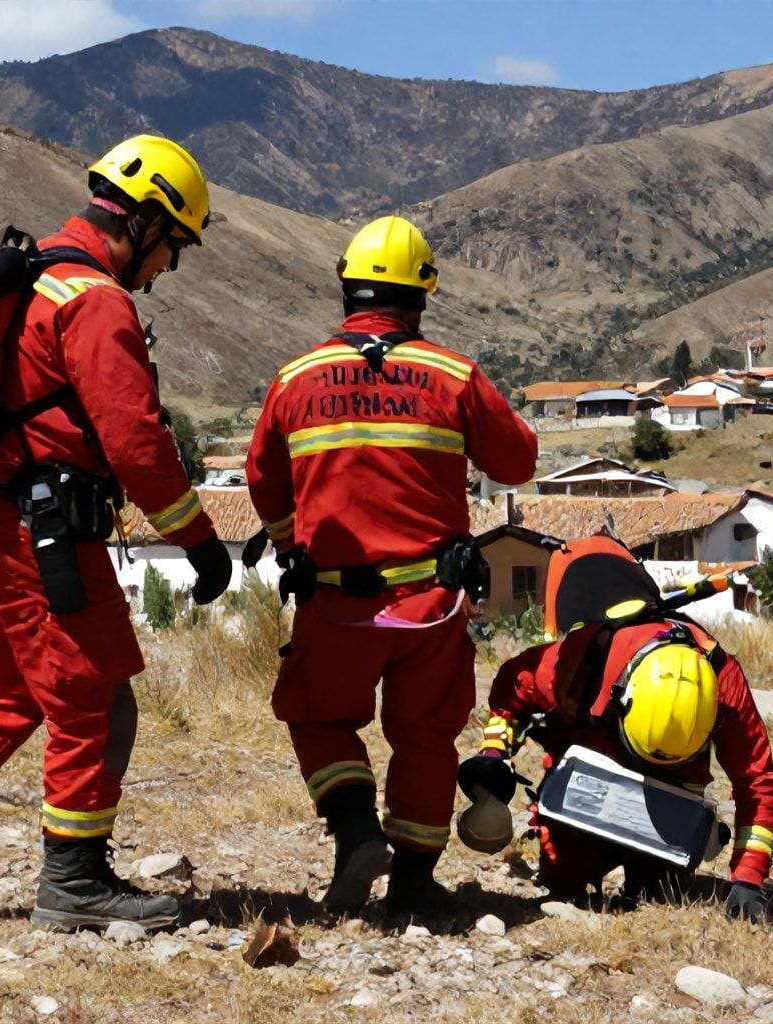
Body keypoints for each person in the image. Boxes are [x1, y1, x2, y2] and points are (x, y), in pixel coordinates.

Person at [0, 135, 232, 932]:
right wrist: (198, 540)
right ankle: (76, 880)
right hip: (42, 528)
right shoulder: (92, 299)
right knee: (92, 689)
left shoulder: (29, 282)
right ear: (147, 222)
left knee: (10, 684)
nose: (170, 268)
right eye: (175, 247)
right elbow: (137, 443)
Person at [246, 215, 538, 917]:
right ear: (422, 293)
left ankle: (354, 833)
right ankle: (412, 885)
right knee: (426, 738)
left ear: (347, 288)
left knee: (316, 718)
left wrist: (291, 547)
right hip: (430, 604)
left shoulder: (296, 377)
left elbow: (263, 480)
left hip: (336, 602)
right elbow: (517, 462)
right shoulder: (453, 374)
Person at [458, 535, 773, 925]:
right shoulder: (583, 659)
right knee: (565, 879)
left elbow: (756, 780)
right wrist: (494, 754)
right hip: (582, 813)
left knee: (659, 894)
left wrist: (747, 878)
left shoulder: (719, 679)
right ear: (622, 698)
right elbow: (513, 690)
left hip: (666, 826)